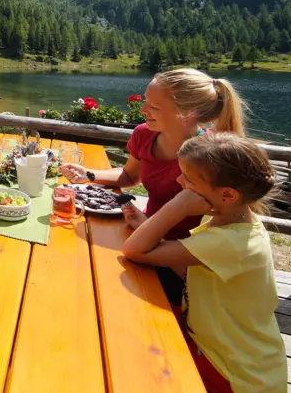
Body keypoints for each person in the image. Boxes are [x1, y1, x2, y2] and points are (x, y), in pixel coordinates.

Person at [60, 68, 247, 306]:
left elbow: (225, 226)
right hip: (140, 232)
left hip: (182, 259)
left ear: (186, 113)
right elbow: (129, 175)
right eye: (146, 102)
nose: (143, 110)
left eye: (154, 107)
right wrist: (88, 174)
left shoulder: (210, 155)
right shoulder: (144, 135)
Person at [122, 132, 287, 393]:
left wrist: (178, 205)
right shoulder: (234, 225)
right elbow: (188, 267)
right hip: (221, 352)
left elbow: (134, 250)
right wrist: (147, 225)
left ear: (228, 195)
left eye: (187, 178)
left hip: (234, 373)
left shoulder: (230, 240)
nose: (179, 180)